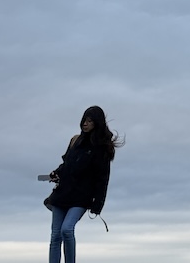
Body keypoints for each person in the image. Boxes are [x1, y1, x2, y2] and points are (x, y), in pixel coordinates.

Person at [46, 106, 123, 263]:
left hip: (81, 197)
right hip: (62, 193)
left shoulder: (102, 147)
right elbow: (66, 165)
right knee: (55, 236)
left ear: (97, 123)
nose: (85, 124)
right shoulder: (76, 140)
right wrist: (56, 173)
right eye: (84, 120)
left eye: (90, 121)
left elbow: (103, 178)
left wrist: (98, 204)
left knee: (67, 230)